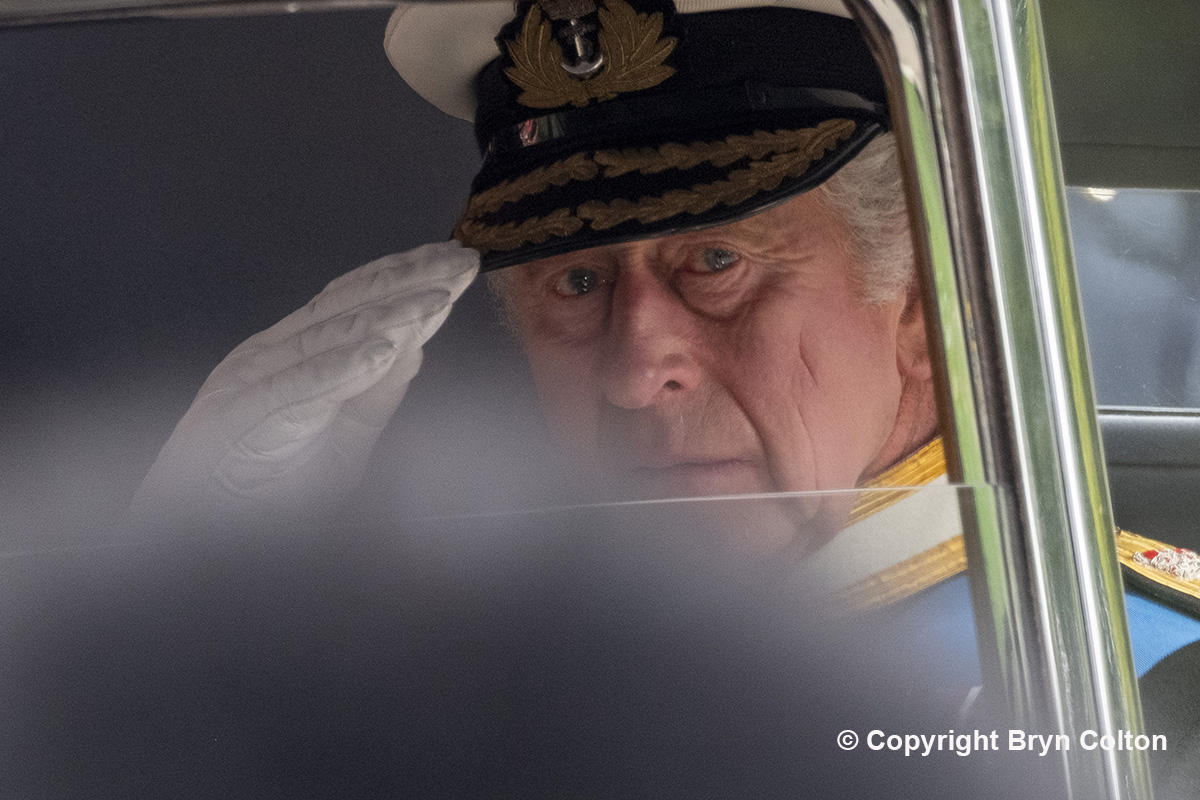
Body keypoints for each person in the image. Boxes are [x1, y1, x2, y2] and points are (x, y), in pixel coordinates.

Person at [129, 0, 1200, 686]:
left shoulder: (1142, 675)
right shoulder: (479, 661)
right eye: (579, 281)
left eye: (716, 264)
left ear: (918, 298)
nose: (639, 372)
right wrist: (179, 627)